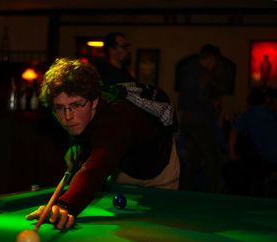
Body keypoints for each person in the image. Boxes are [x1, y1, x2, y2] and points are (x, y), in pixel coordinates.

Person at [26, 58, 179, 229]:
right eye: (60, 108)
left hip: (157, 166)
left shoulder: (118, 117)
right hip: (120, 165)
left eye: (75, 105)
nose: (67, 117)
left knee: (159, 227)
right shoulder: (81, 112)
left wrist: (64, 205)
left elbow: (95, 169)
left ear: (94, 102)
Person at [177, 44, 224, 193]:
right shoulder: (203, 73)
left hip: (187, 120)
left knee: (193, 160)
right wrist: (214, 105)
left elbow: (183, 99)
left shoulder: (188, 69)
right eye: (215, 62)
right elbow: (202, 97)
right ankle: (212, 194)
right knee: (214, 159)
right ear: (211, 59)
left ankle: (185, 193)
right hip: (199, 121)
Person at [224, 88, 277, 196]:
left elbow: (233, 134)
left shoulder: (249, 114)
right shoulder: (271, 113)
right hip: (271, 156)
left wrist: (232, 155)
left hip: (265, 158)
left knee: (237, 169)